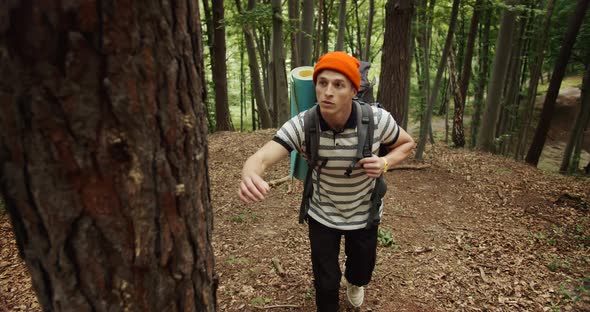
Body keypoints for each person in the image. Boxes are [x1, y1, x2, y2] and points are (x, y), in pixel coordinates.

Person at [238, 51, 415, 311]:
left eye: (338, 85)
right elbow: (262, 157)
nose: (327, 92)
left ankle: (355, 282)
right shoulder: (304, 124)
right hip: (323, 212)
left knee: (362, 268)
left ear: (354, 91)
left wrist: (385, 162)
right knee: (325, 280)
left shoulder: (376, 121)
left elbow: (407, 143)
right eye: (322, 83)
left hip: (364, 211)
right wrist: (249, 173)